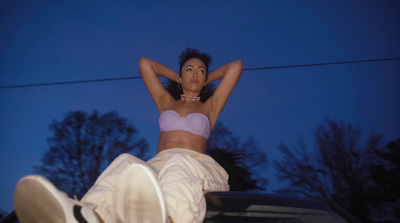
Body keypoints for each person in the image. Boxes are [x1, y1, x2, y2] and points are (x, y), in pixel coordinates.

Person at [14, 48, 243, 223]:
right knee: (125, 162)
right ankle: (89, 215)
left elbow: (235, 67)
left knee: (178, 164)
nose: (196, 74)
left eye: (201, 71)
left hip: (196, 167)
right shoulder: (166, 102)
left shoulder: (210, 107)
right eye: (190, 70)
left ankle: (170, 218)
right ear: (180, 77)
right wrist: (179, 77)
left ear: (205, 79)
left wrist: (203, 78)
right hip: (160, 166)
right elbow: (145, 64)